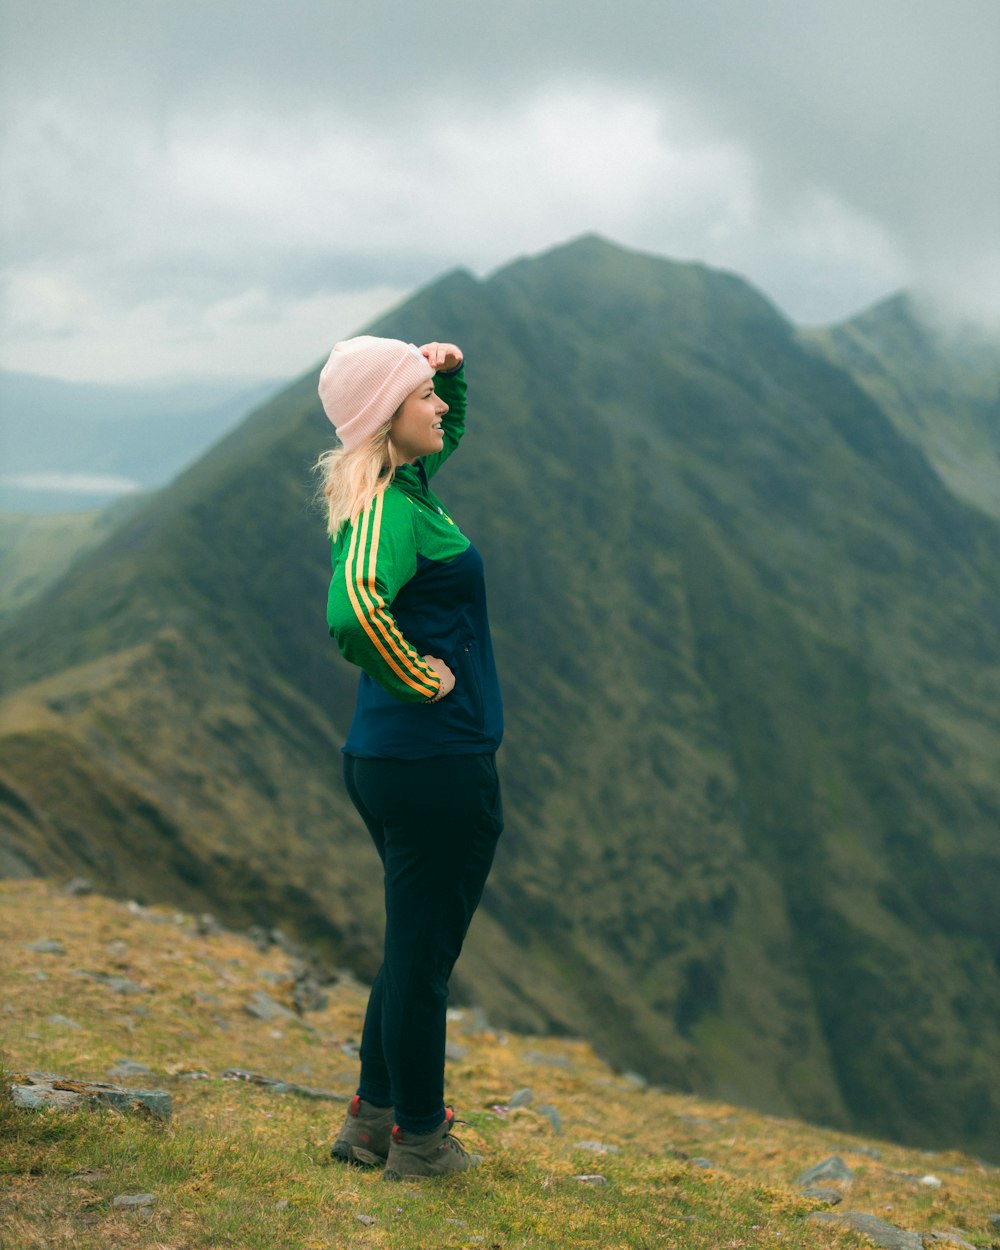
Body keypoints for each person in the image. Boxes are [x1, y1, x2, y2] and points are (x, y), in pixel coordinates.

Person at [316, 335, 504, 1180]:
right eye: (422, 397)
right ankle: (421, 1145)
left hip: (399, 760)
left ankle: (372, 1120)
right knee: (425, 962)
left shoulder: (410, 486)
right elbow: (355, 608)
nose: (438, 408)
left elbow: (446, 431)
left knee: (410, 946)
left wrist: (449, 375)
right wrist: (418, 678)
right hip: (432, 763)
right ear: (387, 418)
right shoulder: (389, 509)